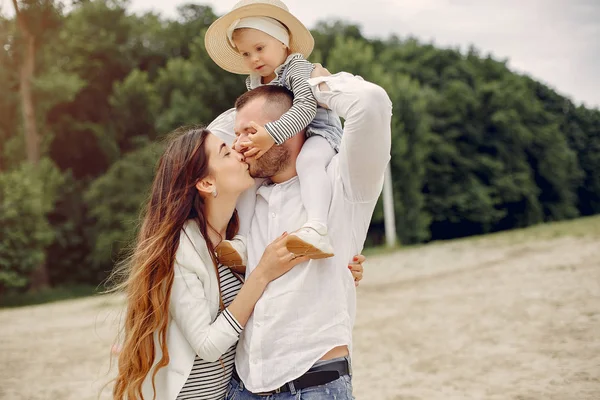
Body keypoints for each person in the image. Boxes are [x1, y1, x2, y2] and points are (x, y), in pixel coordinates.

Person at [110, 126, 366, 400]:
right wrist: (261, 274)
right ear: (207, 183)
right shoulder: (182, 247)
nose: (240, 152)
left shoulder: (237, 236)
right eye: (226, 152)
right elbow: (208, 345)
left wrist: (338, 268)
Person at [204, 49, 392, 400]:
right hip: (241, 387)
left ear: (287, 129)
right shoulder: (244, 196)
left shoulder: (344, 183)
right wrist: (274, 87)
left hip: (314, 386)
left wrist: (310, 89)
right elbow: (205, 140)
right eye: (237, 133)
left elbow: (371, 102)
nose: (239, 143)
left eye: (249, 132)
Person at [205, 0, 345, 265]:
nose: (254, 58)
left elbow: (305, 107)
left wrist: (270, 134)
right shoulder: (255, 82)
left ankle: (317, 227)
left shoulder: (298, 67)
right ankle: (242, 241)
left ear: (283, 42)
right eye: (245, 54)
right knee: (249, 175)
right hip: (281, 143)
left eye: (259, 48)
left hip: (319, 132)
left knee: (309, 161)